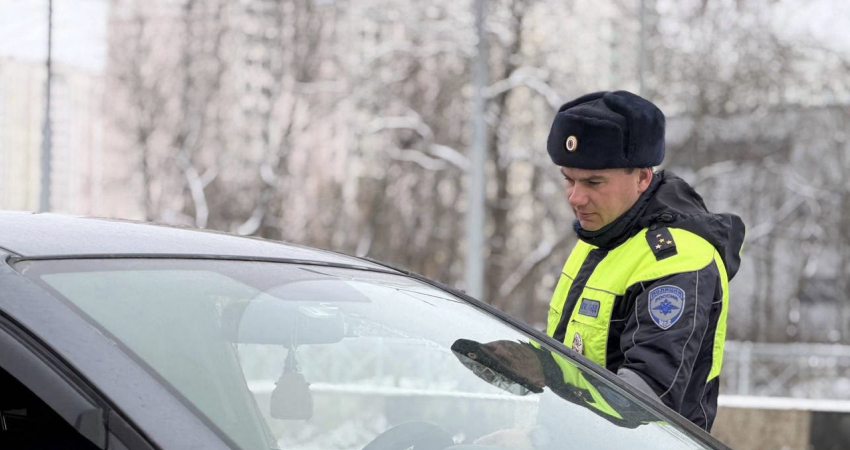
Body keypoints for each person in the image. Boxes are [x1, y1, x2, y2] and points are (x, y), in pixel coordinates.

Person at [544, 90, 745, 431]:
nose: (576, 198)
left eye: (594, 182)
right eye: (568, 179)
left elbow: (643, 400)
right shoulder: (601, 236)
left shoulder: (678, 258)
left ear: (642, 177)